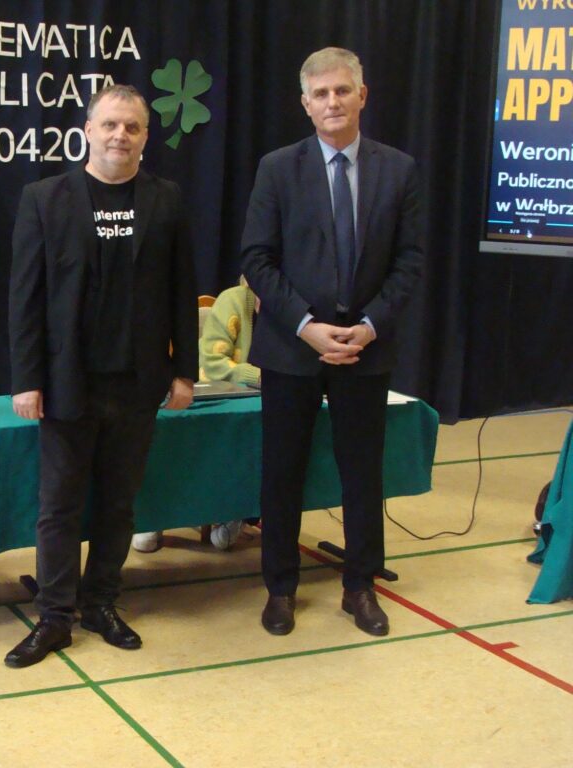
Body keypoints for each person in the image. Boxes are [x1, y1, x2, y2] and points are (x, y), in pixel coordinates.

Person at [6, 84, 197, 668]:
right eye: (110, 124)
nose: (120, 135)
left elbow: (182, 291)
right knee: (59, 506)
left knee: (118, 505)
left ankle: (101, 603)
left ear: (146, 136)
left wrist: (185, 372)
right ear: (88, 130)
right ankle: (54, 616)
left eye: (132, 127)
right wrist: (26, 378)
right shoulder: (45, 199)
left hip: (139, 381)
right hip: (68, 382)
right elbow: (25, 297)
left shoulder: (166, 200)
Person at [240, 48, 423, 638]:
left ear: (362, 95)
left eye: (342, 90)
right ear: (305, 104)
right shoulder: (277, 168)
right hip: (292, 346)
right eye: (320, 94)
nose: (332, 102)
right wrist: (305, 326)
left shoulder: (399, 170)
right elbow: (257, 259)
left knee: (362, 472)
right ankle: (280, 589)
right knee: (282, 472)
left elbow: (410, 260)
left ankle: (359, 586)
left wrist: (369, 325)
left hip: (365, 347)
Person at [131, 277, 261, 553]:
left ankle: (235, 511)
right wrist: (260, 376)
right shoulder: (234, 299)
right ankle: (153, 515)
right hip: (214, 395)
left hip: (259, 401)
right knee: (176, 436)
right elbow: (213, 363)